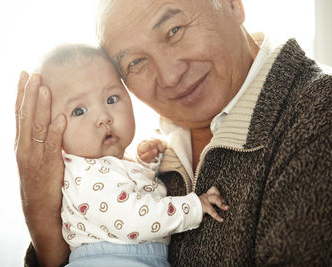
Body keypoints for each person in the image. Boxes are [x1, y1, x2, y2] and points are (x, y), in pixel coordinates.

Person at [16, 0, 332, 266]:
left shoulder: (330, 112)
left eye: (174, 31)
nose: (170, 75)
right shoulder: (145, 151)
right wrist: (43, 225)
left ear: (231, 3)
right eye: (136, 62)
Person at [33, 43, 228, 266]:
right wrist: (193, 207)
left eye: (111, 99)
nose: (103, 117)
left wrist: (147, 164)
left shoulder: (105, 164)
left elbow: (131, 190)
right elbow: (135, 219)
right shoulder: (85, 175)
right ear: (53, 130)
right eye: (79, 111)